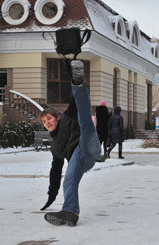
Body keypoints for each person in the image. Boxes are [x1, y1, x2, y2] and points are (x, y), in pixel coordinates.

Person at [39, 60, 101, 226]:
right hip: (80, 158)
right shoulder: (55, 148)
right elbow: (55, 171)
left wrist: (71, 74)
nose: (48, 122)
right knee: (69, 179)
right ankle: (70, 212)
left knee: (83, 115)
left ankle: (78, 81)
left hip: (88, 142)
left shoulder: (67, 117)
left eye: (49, 118)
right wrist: (51, 196)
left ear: (57, 117)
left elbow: (75, 102)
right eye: (44, 121)